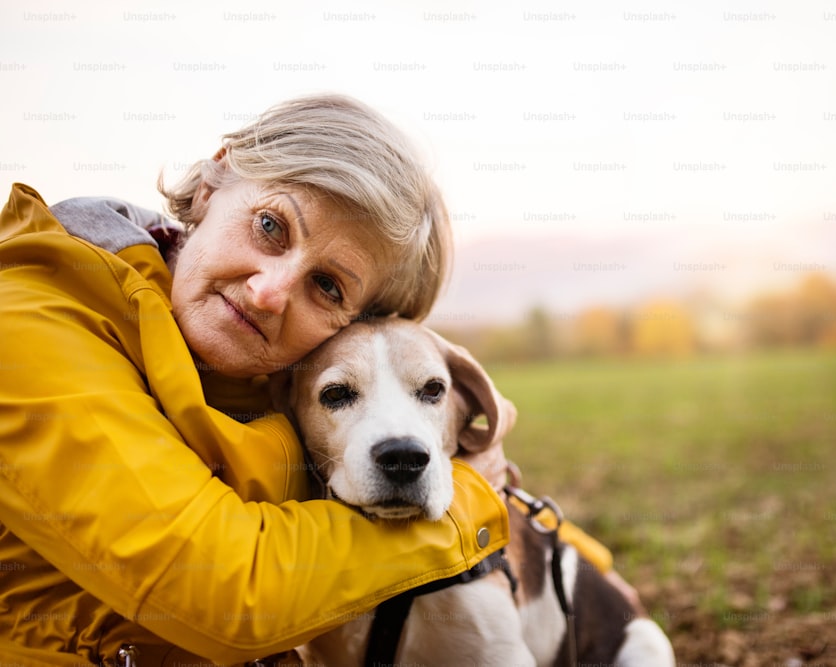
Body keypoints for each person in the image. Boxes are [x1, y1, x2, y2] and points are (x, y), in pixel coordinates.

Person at [0, 94, 510, 666]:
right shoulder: (25, 320)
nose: (270, 292)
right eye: (271, 226)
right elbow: (226, 591)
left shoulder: (273, 378)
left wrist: (579, 569)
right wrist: (468, 503)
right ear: (213, 185)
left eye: (328, 287)